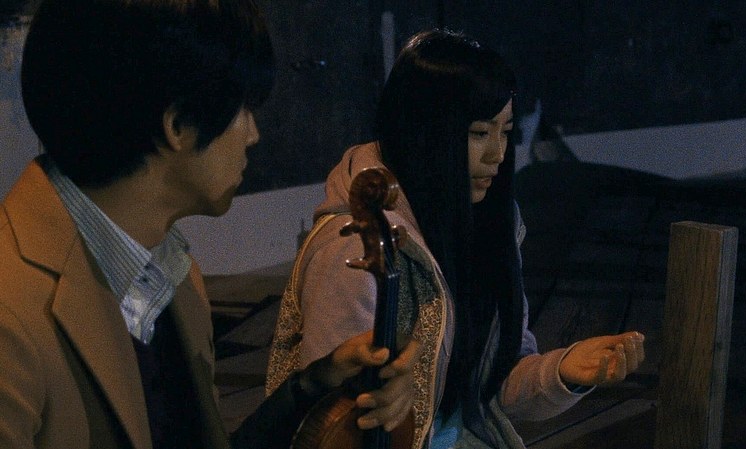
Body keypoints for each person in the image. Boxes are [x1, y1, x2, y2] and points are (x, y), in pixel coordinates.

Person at [0, 0, 417, 448]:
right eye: (243, 109)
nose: (253, 134)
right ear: (178, 126)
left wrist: (316, 386)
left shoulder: (171, 272)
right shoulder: (13, 316)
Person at [266, 29, 645, 449]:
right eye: (480, 133)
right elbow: (333, 423)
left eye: (506, 131)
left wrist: (565, 371)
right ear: (427, 133)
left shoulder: (488, 221)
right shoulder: (353, 248)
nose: (497, 154)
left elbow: (494, 387)